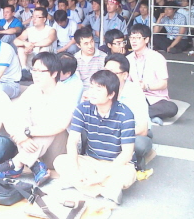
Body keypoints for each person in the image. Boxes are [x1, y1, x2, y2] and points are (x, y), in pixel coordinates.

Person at [0, 52, 76, 186]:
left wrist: (27, 132)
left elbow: (60, 125)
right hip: (33, 151)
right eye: (34, 70)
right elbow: (15, 116)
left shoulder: (65, 93)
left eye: (41, 71)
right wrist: (22, 136)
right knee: (19, 116)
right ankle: (36, 166)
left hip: (57, 152)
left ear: (54, 73)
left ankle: (15, 164)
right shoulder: (33, 90)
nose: (36, 74)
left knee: (48, 125)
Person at [53, 69, 137, 206]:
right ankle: (104, 191)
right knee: (60, 161)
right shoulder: (82, 109)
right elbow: (72, 142)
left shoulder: (125, 114)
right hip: (90, 160)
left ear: (111, 94)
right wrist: (75, 169)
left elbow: (127, 154)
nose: (92, 92)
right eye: (91, 87)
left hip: (116, 163)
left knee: (128, 175)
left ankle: (79, 183)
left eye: (98, 89)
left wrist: (101, 176)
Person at [103, 54, 152, 170]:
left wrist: (114, 134)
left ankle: (134, 160)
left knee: (140, 144)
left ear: (125, 75)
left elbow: (142, 129)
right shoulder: (100, 88)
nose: (106, 77)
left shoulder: (134, 92)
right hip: (106, 130)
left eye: (111, 73)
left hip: (132, 132)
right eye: (105, 72)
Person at [126, 24, 178, 126]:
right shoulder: (128, 59)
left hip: (156, 99)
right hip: (136, 97)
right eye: (131, 38)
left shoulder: (157, 58)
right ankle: (150, 116)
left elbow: (163, 84)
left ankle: (136, 115)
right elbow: (125, 82)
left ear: (146, 39)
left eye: (137, 38)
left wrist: (146, 87)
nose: (133, 41)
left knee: (171, 108)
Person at [14, 7, 57, 78]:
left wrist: (32, 45)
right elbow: (16, 41)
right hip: (32, 58)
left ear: (44, 19)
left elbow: (49, 40)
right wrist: (25, 44)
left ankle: (39, 71)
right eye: (33, 17)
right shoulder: (29, 30)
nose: (34, 19)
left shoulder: (51, 30)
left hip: (46, 61)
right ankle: (24, 70)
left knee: (45, 47)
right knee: (21, 47)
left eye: (37, 17)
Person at [73, 26, 107, 91]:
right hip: (81, 92)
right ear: (78, 45)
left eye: (92, 41)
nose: (90, 46)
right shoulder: (75, 59)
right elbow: (76, 82)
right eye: (86, 44)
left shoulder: (103, 57)